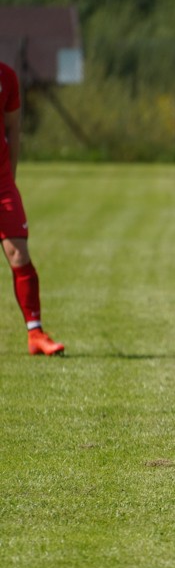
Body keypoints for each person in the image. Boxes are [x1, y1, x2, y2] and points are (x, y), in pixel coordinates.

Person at [0, 61, 64, 356]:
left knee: (19, 254)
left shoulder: (7, 76)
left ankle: (35, 334)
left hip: (2, 184)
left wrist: (9, 180)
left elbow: (13, 129)